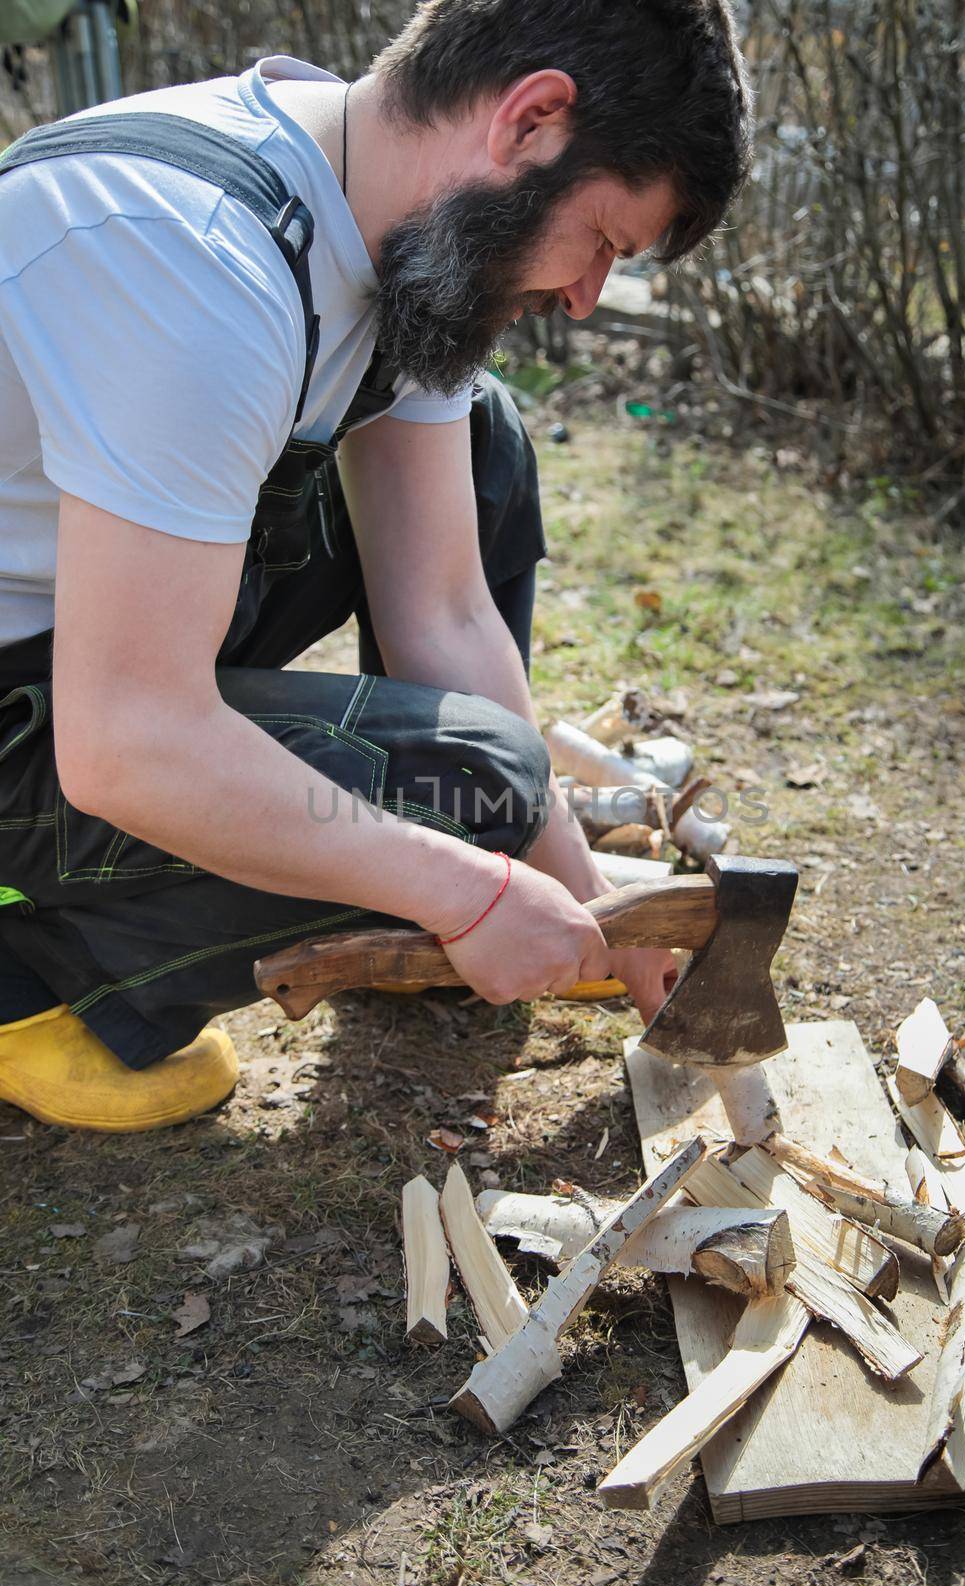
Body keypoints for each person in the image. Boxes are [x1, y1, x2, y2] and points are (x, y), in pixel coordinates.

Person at [0, 0, 752, 1131]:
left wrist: (593, 911)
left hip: (85, 634)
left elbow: (442, 610)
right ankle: (37, 978)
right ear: (531, 119)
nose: (585, 297)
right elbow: (125, 744)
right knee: (477, 782)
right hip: (62, 706)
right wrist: (467, 880)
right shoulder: (190, 260)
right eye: (602, 239)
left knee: (483, 442)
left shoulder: (395, 217)